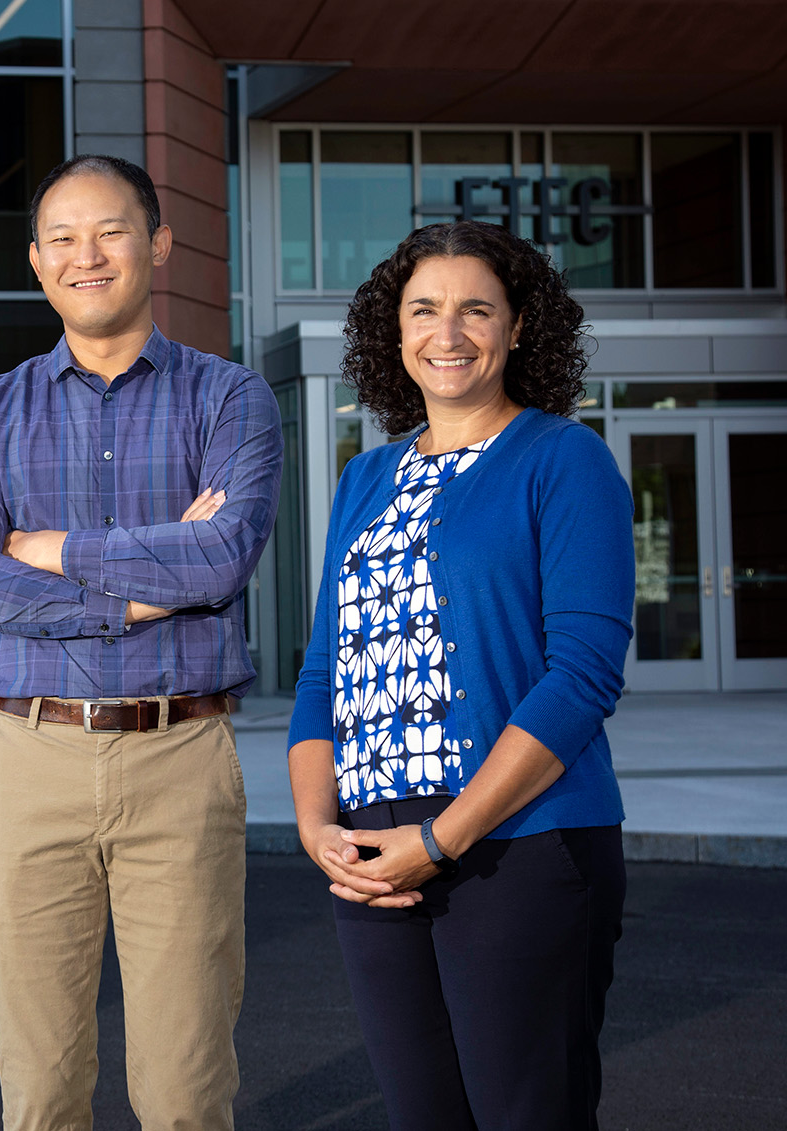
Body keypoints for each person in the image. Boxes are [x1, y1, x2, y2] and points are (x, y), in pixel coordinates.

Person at [0, 155, 284, 1131]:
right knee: (39, 1092)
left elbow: (218, 561)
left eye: (112, 231)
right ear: (36, 261)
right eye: (63, 238)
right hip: (25, 759)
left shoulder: (230, 399)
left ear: (158, 243)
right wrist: (132, 599)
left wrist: (49, 553)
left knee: (183, 1091)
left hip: (180, 756)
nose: (87, 255)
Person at [288, 220, 633, 1130]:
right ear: (392, 333)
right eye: (424, 310)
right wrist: (317, 822)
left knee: (528, 1113)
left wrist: (442, 839)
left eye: (477, 308)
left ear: (519, 327)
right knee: (421, 1115)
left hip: (517, 841)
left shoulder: (563, 459)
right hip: (372, 850)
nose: (449, 333)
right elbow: (325, 669)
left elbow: (583, 677)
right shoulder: (365, 478)